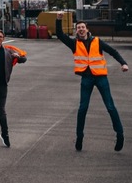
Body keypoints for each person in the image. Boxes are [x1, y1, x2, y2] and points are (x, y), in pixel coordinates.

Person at [55, 20, 128, 152]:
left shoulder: (97, 42)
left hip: (101, 78)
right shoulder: (74, 44)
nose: (81, 29)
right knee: (83, 108)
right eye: (78, 28)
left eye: (83, 27)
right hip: (86, 78)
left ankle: (120, 135)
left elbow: (113, 52)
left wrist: (123, 63)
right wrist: (59, 20)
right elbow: (60, 35)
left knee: (110, 107)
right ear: (76, 30)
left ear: (87, 29)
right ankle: (79, 137)